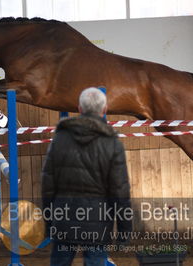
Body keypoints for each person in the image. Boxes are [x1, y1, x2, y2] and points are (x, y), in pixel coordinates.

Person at [42, 87, 132, 266]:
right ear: (104, 110)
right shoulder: (113, 144)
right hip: (98, 224)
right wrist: (124, 230)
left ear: (79, 109)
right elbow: (119, 191)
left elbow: (48, 186)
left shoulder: (59, 139)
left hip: (63, 219)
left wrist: (49, 223)